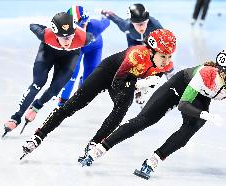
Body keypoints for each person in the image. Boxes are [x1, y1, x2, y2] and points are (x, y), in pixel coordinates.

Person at [80, 49, 226, 180]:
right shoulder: (205, 74)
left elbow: (203, 98)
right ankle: (100, 148)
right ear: (222, 73)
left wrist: (202, 115)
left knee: (193, 126)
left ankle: (154, 160)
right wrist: (206, 115)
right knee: (144, 120)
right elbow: (183, 105)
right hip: (179, 86)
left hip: (200, 96)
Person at [20, 29, 177, 161]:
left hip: (129, 79)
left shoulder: (166, 65)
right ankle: (38, 136)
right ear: (150, 50)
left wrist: (143, 90)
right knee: (73, 105)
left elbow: (156, 76)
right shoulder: (136, 55)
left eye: (169, 56)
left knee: (121, 110)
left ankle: (94, 144)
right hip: (109, 73)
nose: (166, 61)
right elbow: (117, 83)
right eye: (163, 56)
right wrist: (138, 85)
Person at [2, 12, 94, 137]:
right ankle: (16, 116)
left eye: (70, 36)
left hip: (69, 57)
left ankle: (36, 106)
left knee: (56, 88)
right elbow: (32, 25)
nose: (67, 41)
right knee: (38, 82)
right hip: (48, 53)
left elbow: (92, 34)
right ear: (55, 33)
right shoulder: (45, 35)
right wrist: (47, 29)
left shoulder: (83, 38)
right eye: (63, 36)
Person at [101, 3, 168, 106]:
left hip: (151, 42)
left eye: (143, 23)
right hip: (134, 41)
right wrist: (107, 14)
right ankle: (138, 88)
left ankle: (145, 87)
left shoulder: (156, 27)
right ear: (131, 23)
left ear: (148, 20)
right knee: (134, 62)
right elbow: (116, 19)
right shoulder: (126, 26)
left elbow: (167, 44)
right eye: (138, 24)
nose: (141, 26)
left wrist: (167, 66)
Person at [58, 5, 110, 106]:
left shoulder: (96, 26)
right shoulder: (63, 29)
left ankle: (83, 83)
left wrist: (105, 15)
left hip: (94, 47)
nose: (78, 31)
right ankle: (62, 102)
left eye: (81, 26)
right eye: (74, 27)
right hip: (77, 48)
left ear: (87, 21)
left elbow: (107, 21)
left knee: (90, 78)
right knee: (72, 74)